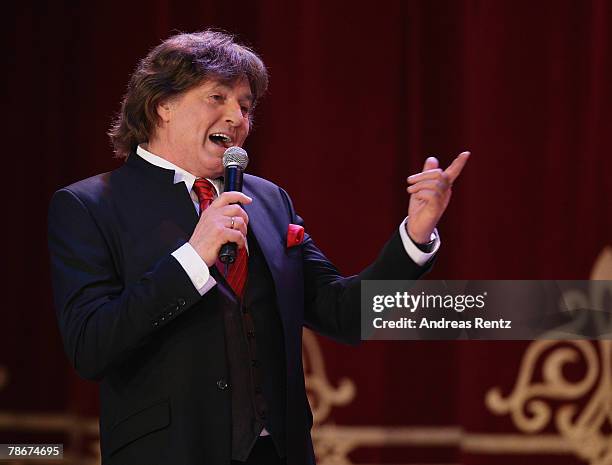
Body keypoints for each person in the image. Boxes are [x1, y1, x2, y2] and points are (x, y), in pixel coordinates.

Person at [47, 30, 469, 465]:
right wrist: (193, 257)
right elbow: (91, 346)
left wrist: (415, 237)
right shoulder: (90, 205)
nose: (237, 118)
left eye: (245, 107)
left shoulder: (268, 200)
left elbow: (344, 314)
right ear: (162, 105)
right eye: (217, 98)